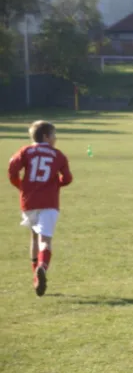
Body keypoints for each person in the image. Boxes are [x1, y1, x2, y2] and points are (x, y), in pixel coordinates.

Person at [8, 121, 73, 297]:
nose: (55, 138)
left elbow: (12, 170)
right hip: (49, 202)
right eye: (54, 135)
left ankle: (35, 277)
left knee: (34, 236)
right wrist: (54, 185)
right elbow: (67, 179)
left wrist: (21, 186)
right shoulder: (58, 155)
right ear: (46, 136)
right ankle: (42, 267)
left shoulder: (25, 151)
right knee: (45, 240)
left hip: (28, 202)